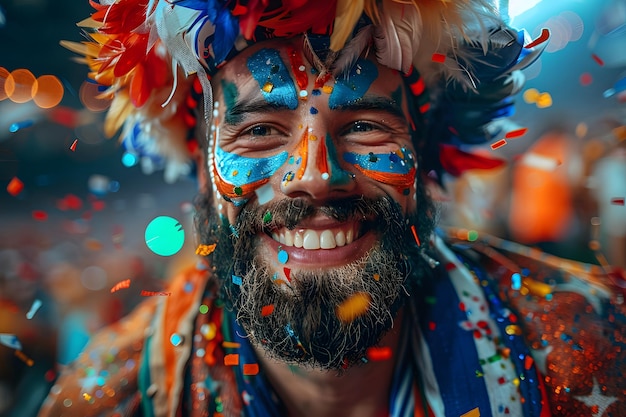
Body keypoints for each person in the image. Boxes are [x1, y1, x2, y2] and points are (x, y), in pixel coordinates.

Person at [38, 1, 625, 416]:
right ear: (200, 169)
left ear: (421, 159)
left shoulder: (597, 345)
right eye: (262, 132)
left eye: (366, 125)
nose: (317, 177)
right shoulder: (109, 397)